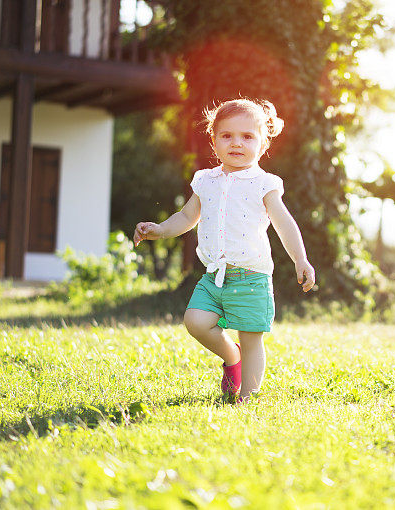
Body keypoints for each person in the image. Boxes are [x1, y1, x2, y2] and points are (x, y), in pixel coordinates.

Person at [133, 98, 315, 403]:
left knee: (252, 337)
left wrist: (301, 259)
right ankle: (233, 358)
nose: (237, 143)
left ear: (262, 142)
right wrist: (160, 230)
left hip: (251, 276)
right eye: (227, 135)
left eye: (247, 137)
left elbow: (284, 223)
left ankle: (247, 397)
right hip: (214, 275)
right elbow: (187, 217)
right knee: (195, 322)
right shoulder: (205, 180)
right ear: (214, 140)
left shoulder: (264, 184)